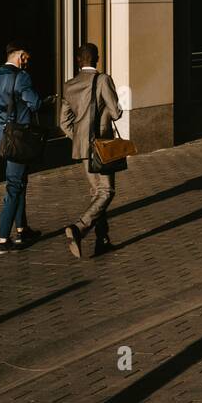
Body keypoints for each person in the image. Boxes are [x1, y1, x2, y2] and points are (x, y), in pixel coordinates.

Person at [60, 43, 123, 259]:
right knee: (107, 192)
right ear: (97, 58)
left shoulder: (69, 85)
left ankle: (102, 240)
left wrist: (78, 137)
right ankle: (79, 227)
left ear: (78, 61)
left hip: (82, 147)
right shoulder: (103, 79)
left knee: (97, 193)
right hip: (101, 145)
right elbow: (115, 113)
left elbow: (63, 122)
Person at [0, 41, 42, 254]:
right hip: (19, 137)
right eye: (26, 59)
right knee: (14, 185)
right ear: (20, 56)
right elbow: (34, 103)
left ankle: (22, 229)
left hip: (0, 138)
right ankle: (2, 238)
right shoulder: (22, 78)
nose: (27, 63)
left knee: (19, 181)